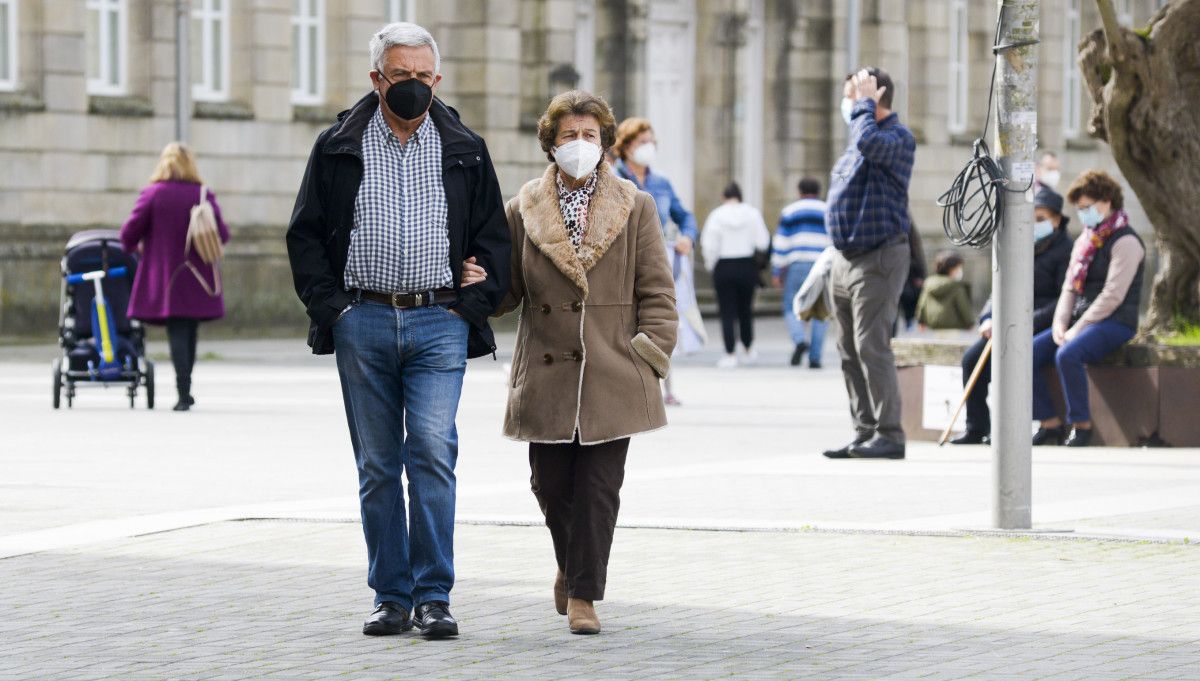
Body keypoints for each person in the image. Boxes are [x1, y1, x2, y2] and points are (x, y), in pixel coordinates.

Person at [285, 22, 510, 639]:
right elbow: (304, 234)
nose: (412, 86)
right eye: (399, 76)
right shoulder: (338, 145)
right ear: (376, 79)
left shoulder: (464, 146)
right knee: (380, 464)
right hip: (366, 319)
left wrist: (475, 298)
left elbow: (494, 236)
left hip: (440, 319)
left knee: (433, 453)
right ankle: (391, 595)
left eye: (422, 77)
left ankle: (434, 595)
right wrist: (334, 311)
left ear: (437, 80)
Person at [497, 90, 677, 635]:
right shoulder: (523, 207)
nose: (580, 145)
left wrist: (648, 355)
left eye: (590, 136)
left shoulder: (635, 204)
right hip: (547, 370)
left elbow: (658, 292)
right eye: (569, 135)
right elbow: (507, 293)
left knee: (599, 490)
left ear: (605, 143)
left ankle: (584, 596)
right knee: (549, 485)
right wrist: (474, 280)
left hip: (612, 369)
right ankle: (571, 565)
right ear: (551, 143)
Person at [822, 67, 915, 461]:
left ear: (876, 98)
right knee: (848, 349)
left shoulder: (897, 138)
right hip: (845, 260)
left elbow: (870, 146)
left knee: (871, 346)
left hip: (879, 257)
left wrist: (864, 106)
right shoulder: (859, 135)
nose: (849, 105)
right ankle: (864, 430)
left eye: (854, 96)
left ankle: (889, 433)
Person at [951, 187, 1073, 445]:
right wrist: (988, 318)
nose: (1035, 224)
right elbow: (1000, 286)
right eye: (1032, 218)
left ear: (1057, 220)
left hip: (1042, 324)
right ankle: (976, 426)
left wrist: (1024, 321)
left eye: (1042, 219)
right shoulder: (1019, 243)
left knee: (1019, 356)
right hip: (1010, 322)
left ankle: (1044, 424)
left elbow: (1063, 298)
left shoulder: (1066, 250)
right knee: (972, 359)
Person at [1031, 170, 1144, 447]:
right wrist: (1060, 324)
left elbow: (1113, 295)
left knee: (1069, 354)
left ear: (1107, 201)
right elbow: (1070, 287)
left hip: (1116, 321)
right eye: (1079, 209)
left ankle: (1081, 425)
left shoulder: (1126, 241)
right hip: (1082, 319)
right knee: (1029, 352)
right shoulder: (1086, 240)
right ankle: (1049, 422)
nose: (1083, 214)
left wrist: (1077, 329)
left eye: (1087, 207)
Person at [120, 142, 230, 412]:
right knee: (189, 329)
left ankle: (183, 393)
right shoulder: (203, 194)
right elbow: (223, 235)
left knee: (178, 329)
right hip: (198, 275)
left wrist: (145, 248)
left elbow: (127, 236)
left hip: (166, 276)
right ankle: (186, 389)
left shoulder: (153, 194)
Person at [613, 118, 701, 404]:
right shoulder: (612, 178)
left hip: (654, 259)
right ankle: (624, 383)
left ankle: (663, 385)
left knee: (658, 318)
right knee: (623, 322)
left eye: (651, 141)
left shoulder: (661, 182)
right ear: (625, 147)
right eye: (642, 142)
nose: (648, 147)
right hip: (620, 260)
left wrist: (687, 236)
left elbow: (685, 216)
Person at [701, 182, 770, 368]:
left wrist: (711, 264)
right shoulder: (752, 213)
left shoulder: (717, 215)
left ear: (724, 197)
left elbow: (709, 244)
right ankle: (748, 348)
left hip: (724, 265)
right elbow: (763, 241)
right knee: (746, 310)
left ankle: (729, 353)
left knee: (726, 311)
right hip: (747, 265)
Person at [771, 177, 831, 367]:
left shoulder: (790, 212)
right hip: (822, 264)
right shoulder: (828, 210)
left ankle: (799, 340)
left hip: (796, 263)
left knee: (791, 306)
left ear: (799, 191)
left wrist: (776, 271)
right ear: (819, 191)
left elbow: (781, 242)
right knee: (821, 310)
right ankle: (815, 358)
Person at [915, 250, 973, 330]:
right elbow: (963, 306)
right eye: (958, 268)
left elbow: (922, 304)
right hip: (954, 327)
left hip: (933, 327)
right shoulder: (957, 286)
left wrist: (920, 321)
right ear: (951, 269)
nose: (960, 271)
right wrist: (970, 323)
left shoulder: (929, 283)